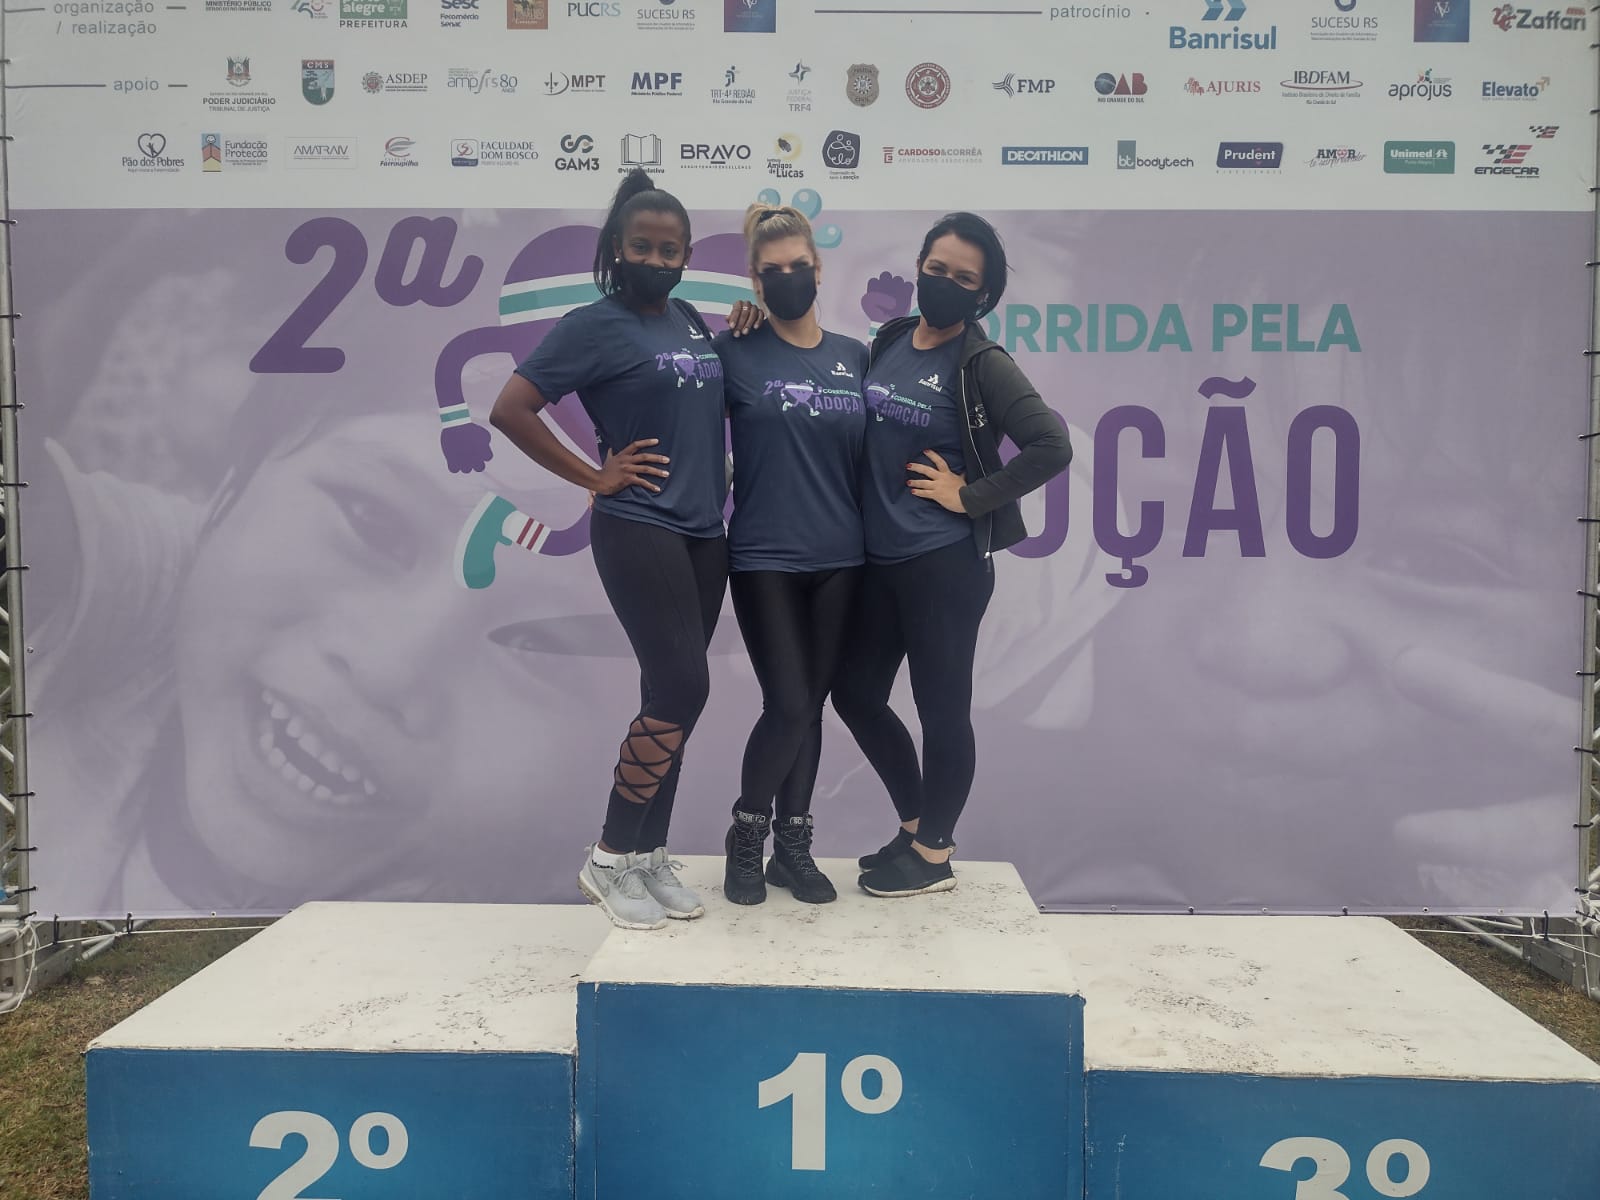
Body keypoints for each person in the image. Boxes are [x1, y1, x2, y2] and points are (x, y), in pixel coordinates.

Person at [489, 169, 727, 930]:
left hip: (705, 534)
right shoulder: (592, 325)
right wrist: (593, 476)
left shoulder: (690, 319)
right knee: (683, 688)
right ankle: (608, 854)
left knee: (669, 698)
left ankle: (647, 857)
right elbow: (511, 408)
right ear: (616, 250)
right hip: (640, 524)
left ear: (687, 256)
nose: (656, 260)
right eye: (641, 247)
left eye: (670, 249)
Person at [834, 212, 1073, 897]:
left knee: (940, 710)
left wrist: (969, 497)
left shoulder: (983, 363)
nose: (943, 283)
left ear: (984, 295)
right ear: (918, 268)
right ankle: (917, 824)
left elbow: (1051, 446)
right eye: (935, 269)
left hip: (944, 565)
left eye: (963, 279)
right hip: (879, 561)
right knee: (855, 694)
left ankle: (935, 853)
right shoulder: (889, 340)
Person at [715, 203, 868, 906]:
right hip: (764, 559)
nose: (787, 279)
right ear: (754, 281)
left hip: (843, 558)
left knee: (812, 707)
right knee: (788, 701)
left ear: (818, 269)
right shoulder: (734, 352)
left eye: (798, 267)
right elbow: (676, 416)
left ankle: (793, 848)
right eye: (771, 271)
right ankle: (747, 834)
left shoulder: (855, 357)